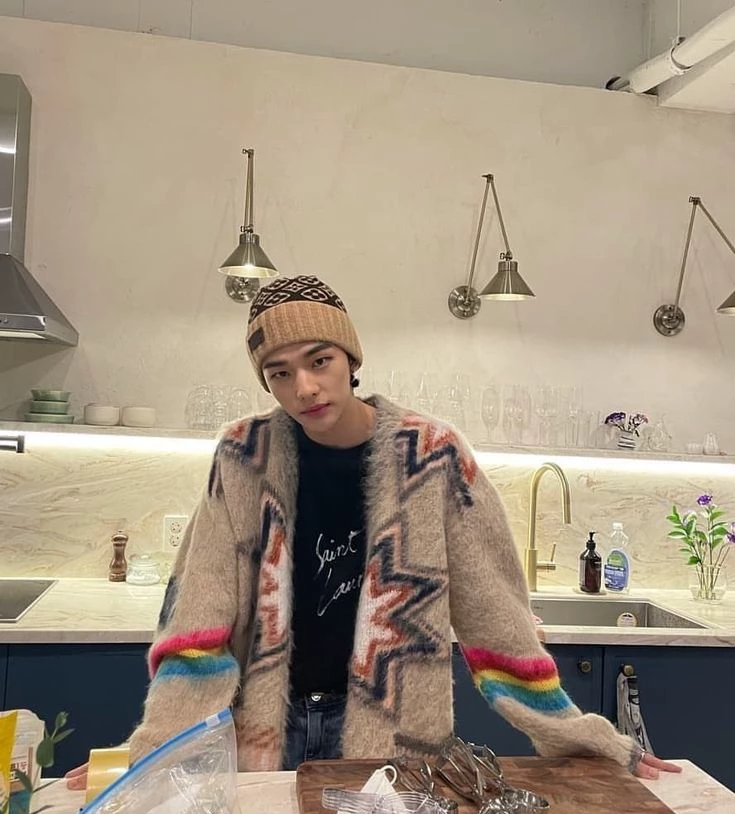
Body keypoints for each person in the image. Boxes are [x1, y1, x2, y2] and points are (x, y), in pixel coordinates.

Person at [67, 274, 678, 788]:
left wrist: (579, 734)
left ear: (351, 359)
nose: (304, 388)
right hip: (266, 730)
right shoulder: (243, 456)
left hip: (396, 736)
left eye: (319, 361)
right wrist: (148, 751)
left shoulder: (432, 456)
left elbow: (495, 615)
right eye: (279, 373)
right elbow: (197, 619)